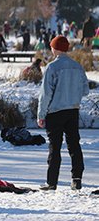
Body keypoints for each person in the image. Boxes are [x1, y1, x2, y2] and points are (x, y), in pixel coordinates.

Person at [37, 36, 88, 190]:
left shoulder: (52, 67)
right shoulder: (77, 67)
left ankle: (52, 182)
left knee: (55, 147)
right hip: (73, 110)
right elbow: (85, 90)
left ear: (55, 48)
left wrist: (41, 114)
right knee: (74, 145)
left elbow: (45, 94)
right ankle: (76, 179)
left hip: (55, 112)